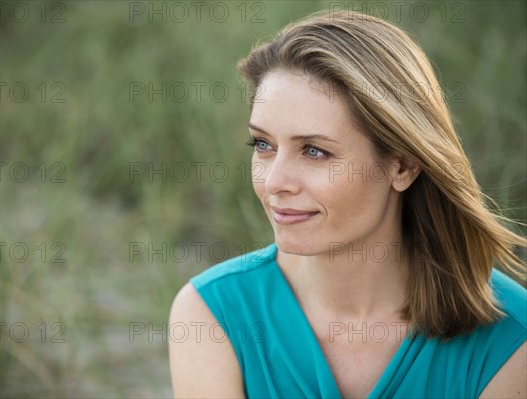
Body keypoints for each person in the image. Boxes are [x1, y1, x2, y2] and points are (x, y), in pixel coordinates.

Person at [169, 10, 526, 398]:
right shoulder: (213, 315)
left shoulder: (512, 338)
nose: (274, 182)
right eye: (263, 145)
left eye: (315, 151)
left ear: (403, 165)